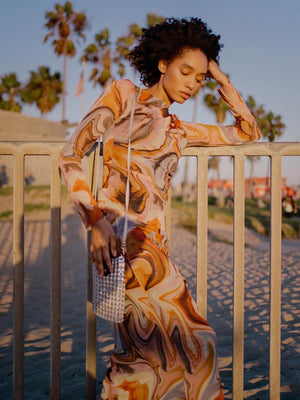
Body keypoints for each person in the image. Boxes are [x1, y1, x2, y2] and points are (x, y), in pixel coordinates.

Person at [60, 17, 261, 400]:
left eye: (199, 78)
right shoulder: (123, 96)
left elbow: (248, 131)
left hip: (157, 248)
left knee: (151, 354)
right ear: (163, 63)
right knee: (190, 343)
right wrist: (95, 221)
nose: (192, 83)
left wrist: (220, 77)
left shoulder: (180, 130)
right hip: (121, 243)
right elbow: (70, 156)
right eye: (186, 71)